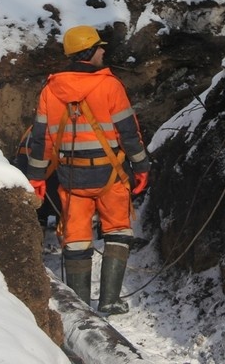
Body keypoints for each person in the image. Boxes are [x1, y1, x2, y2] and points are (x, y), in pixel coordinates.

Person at [24, 25, 150, 315]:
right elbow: (129, 133)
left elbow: (41, 139)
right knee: (118, 232)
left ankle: (80, 309)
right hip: (111, 176)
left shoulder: (51, 90)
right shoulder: (110, 86)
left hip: (71, 179)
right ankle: (109, 300)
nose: (104, 51)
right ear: (90, 51)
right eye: (99, 47)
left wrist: (36, 178)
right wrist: (141, 166)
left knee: (76, 240)